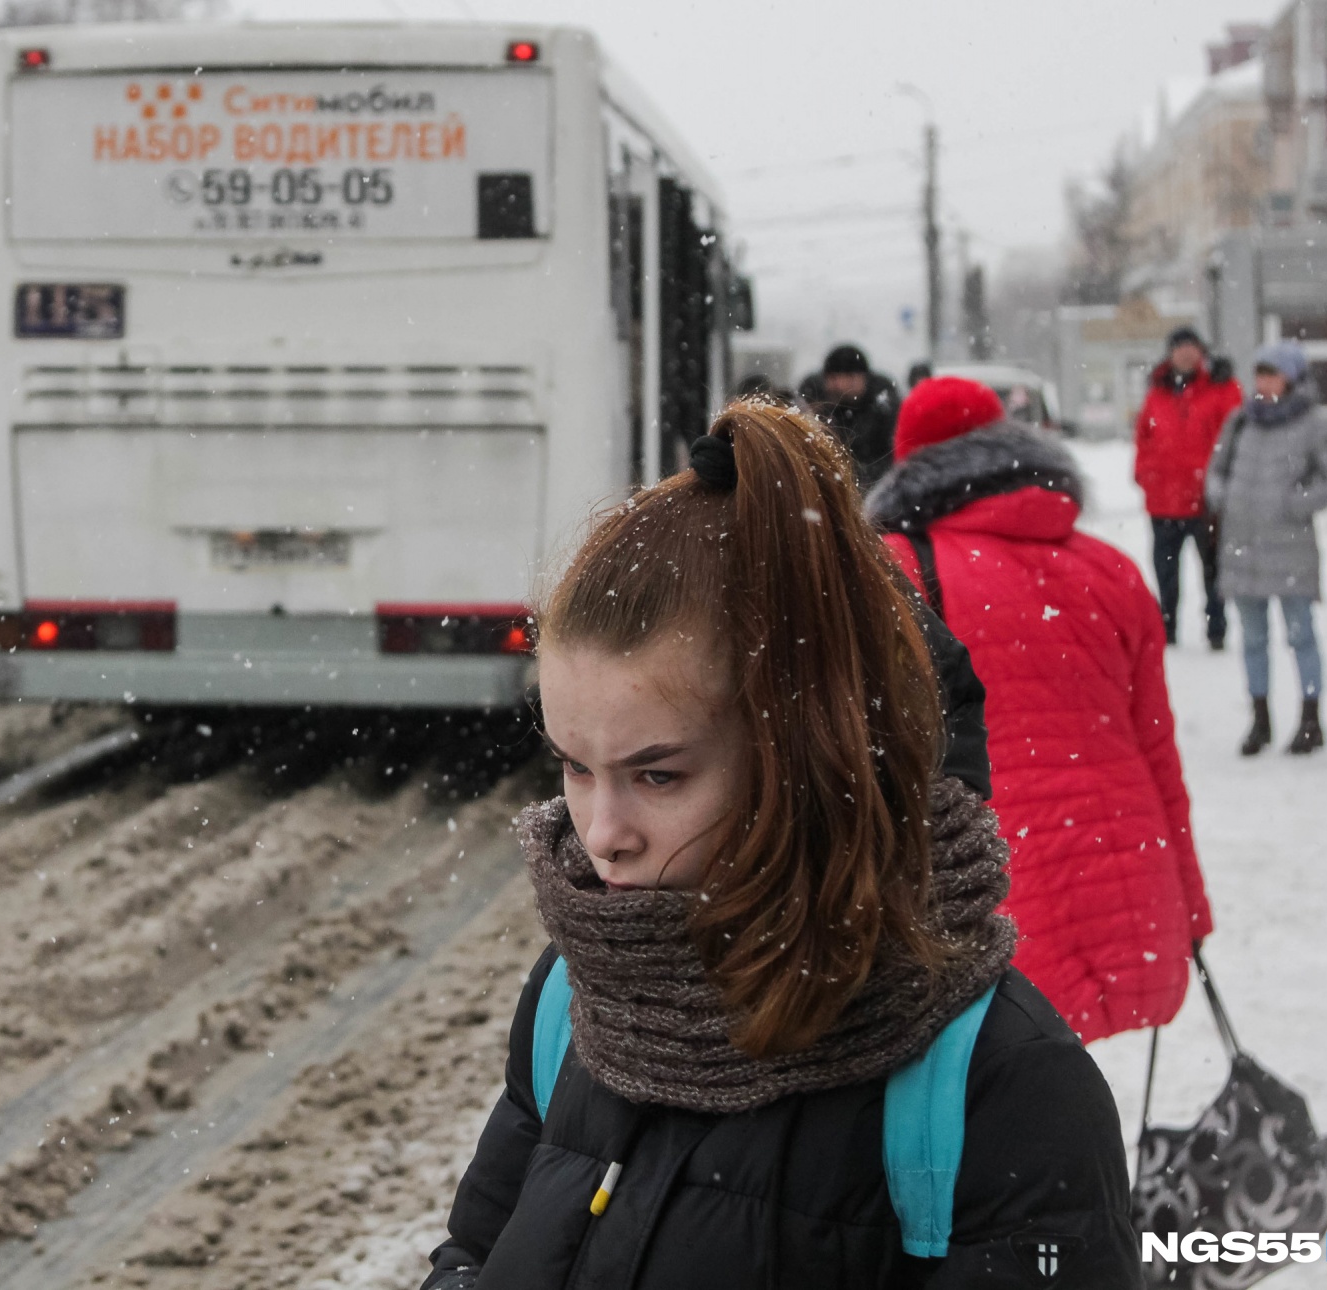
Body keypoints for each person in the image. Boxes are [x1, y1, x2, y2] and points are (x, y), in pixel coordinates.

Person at [423, 402, 1138, 1289]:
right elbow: (477, 1254)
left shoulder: (1004, 1090)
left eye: (659, 776)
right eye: (574, 767)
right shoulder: (576, 997)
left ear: (805, 756)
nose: (600, 835)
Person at [866, 377, 1212, 1044]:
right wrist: (1189, 912)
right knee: (1069, 1106)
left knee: (989, 1108)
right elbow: (1157, 755)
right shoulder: (1110, 570)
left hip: (990, 908)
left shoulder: (897, 569)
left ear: (910, 466)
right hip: (1127, 896)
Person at [1206, 341, 1327, 756]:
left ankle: (1310, 719)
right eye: (1260, 373)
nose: (1264, 381)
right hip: (1242, 549)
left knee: (1300, 635)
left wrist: (1294, 503)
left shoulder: (1312, 424)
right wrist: (1222, 496)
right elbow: (1216, 469)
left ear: (1292, 378)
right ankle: (1260, 720)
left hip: (1290, 550)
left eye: (1273, 373)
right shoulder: (1240, 420)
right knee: (1252, 639)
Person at [1134, 326, 1241, 648]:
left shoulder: (1223, 389)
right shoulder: (1157, 393)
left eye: (1191, 347)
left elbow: (1236, 438)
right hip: (1163, 501)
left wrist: (1223, 483)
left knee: (1213, 571)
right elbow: (1143, 439)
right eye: (1179, 347)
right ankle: (1167, 629)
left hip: (1206, 501)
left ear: (1201, 352)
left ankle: (1216, 628)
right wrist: (1145, 474)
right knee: (1165, 574)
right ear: (1170, 353)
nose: (1185, 353)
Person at [798, 342, 900, 488]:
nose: (838, 385)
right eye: (832, 378)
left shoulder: (885, 412)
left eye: (848, 378)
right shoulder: (814, 407)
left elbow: (889, 459)